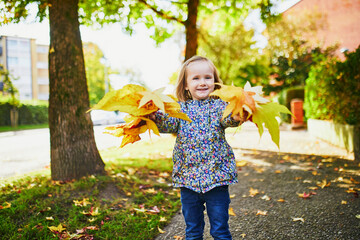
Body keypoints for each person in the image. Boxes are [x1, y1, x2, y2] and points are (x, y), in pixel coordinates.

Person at [150, 56, 247, 240]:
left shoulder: (220, 106)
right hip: (188, 181)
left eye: (207, 78)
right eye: (195, 78)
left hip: (216, 179)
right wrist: (154, 117)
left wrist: (237, 116)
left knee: (220, 229)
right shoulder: (179, 109)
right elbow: (168, 123)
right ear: (186, 85)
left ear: (215, 82)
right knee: (193, 231)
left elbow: (228, 119)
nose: (202, 82)